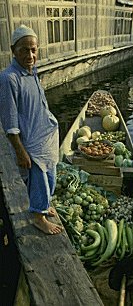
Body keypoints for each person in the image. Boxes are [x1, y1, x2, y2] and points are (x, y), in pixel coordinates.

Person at [0, 25, 63, 235]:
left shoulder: (32, 71)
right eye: (24, 50)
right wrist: (20, 150)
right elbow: (9, 121)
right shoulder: (9, 78)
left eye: (33, 49)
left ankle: (43, 206)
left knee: (51, 177)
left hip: (45, 136)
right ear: (13, 49)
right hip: (30, 141)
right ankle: (38, 216)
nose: (30, 55)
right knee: (38, 180)